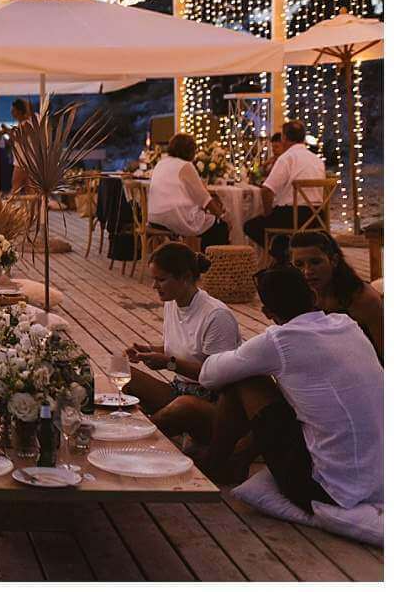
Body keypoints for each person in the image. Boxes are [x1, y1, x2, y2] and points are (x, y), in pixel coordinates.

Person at [197, 266, 383, 513]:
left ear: (266, 312)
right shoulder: (347, 324)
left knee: (247, 380)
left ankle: (214, 464)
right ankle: (236, 459)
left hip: (330, 489)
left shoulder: (280, 340)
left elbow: (208, 375)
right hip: (379, 476)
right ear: (313, 296)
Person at [124, 243, 240, 448]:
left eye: (161, 280)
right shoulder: (172, 302)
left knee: (182, 406)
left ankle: (136, 439)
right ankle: (158, 431)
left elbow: (218, 376)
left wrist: (169, 364)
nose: (154, 286)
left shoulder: (216, 315)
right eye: (154, 279)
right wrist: (148, 351)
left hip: (212, 404)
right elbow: (183, 348)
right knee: (125, 374)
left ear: (185, 277)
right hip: (179, 389)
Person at [289, 230, 382, 361]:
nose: (307, 271)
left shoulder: (362, 299)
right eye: (299, 265)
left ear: (334, 260)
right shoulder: (297, 296)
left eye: (315, 262)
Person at [242, 120, 325, 252]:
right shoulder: (317, 160)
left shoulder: (287, 158)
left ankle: (284, 255)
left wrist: (268, 214)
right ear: (303, 137)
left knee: (250, 226)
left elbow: (266, 190)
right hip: (318, 217)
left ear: (284, 138)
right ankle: (291, 252)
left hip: (292, 216)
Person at [147, 133, 230, 248]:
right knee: (219, 226)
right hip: (174, 217)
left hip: (154, 216)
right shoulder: (185, 165)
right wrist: (223, 217)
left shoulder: (161, 163)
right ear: (190, 151)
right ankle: (210, 258)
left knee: (207, 220)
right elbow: (204, 198)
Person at [6, 99, 34, 194]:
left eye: (13, 110)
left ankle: (10, 205)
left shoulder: (26, 124)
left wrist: (7, 131)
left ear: (19, 111)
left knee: (15, 189)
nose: (11, 112)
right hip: (27, 162)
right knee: (30, 190)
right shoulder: (22, 124)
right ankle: (33, 205)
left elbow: (19, 138)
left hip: (22, 162)